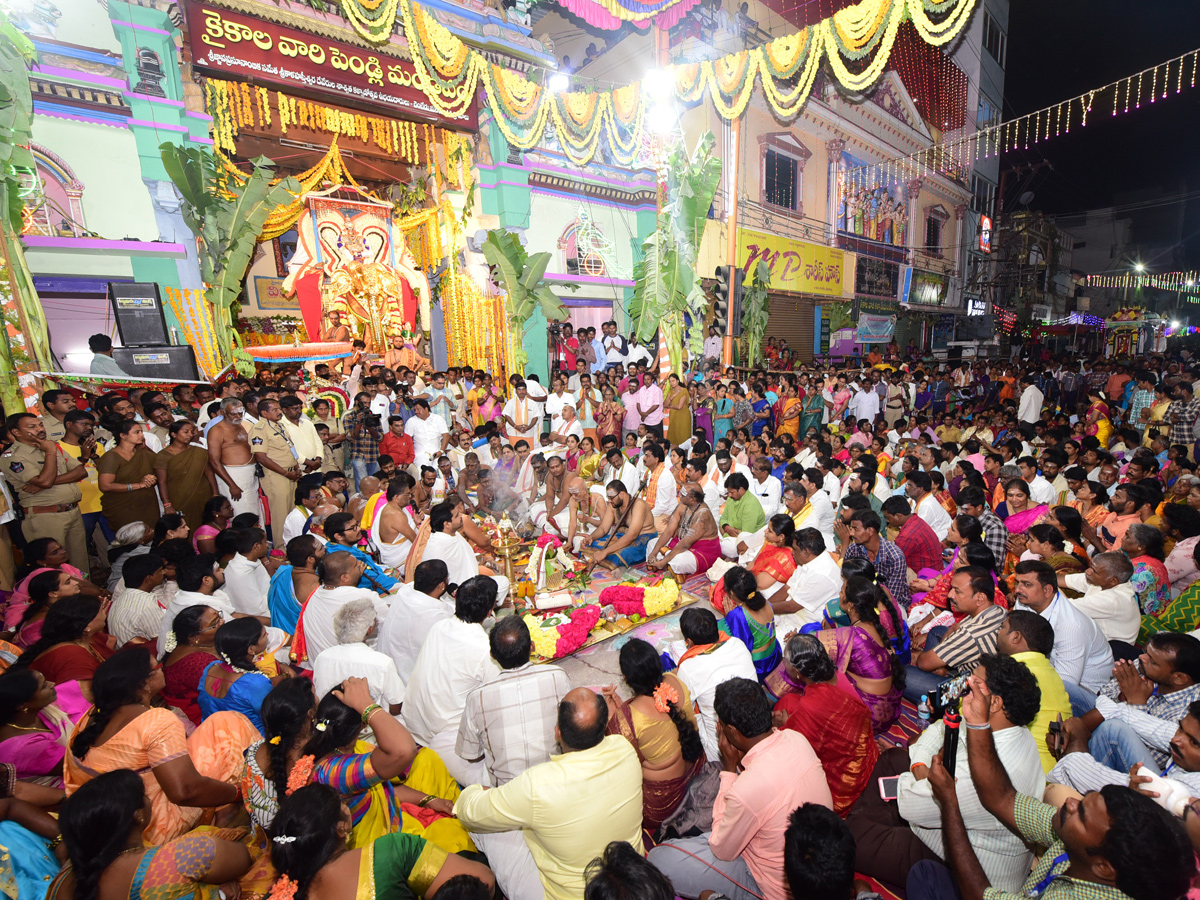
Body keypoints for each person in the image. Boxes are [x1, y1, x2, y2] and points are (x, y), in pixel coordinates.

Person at [917, 671, 1194, 900]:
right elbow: (1003, 798)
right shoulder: (1085, 841)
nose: (1071, 803)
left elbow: (979, 895)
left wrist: (950, 804)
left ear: (1103, 868)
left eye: (1082, 815)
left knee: (923, 877)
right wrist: (978, 724)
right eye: (1083, 801)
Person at [849, 654, 1045, 893]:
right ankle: (875, 818)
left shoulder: (994, 775)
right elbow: (943, 726)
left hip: (967, 866)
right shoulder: (1008, 727)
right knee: (894, 759)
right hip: (938, 806)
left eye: (973, 683)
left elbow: (912, 805)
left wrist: (922, 781)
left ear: (995, 703)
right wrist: (919, 767)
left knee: (852, 840)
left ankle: (865, 824)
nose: (963, 686)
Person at [648, 677, 832, 900]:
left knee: (659, 858)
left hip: (771, 887)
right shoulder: (796, 738)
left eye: (721, 725)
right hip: (816, 863)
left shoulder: (748, 789)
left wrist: (727, 770)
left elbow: (721, 849)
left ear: (732, 732)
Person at [65, 647, 257, 845]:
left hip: (109, 819)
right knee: (232, 728)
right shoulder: (156, 720)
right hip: (148, 823)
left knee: (222, 722)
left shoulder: (91, 717)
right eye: (157, 666)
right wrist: (236, 793)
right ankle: (225, 812)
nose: (162, 668)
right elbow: (184, 791)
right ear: (144, 683)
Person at [264, 783, 493, 900]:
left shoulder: (282, 892)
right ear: (341, 828)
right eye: (342, 803)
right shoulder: (389, 853)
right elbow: (484, 882)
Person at [56, 769, 254, 900]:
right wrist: (216, 894)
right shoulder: (185, 857)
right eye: (144, 795)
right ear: (138, 815)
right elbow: (246, 857)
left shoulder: (65, 878)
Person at [403, 576, 501, 784]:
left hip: (415, 724)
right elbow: (496, 701)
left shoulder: (439, 627)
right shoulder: (485, 649)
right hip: (445, 737)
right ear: (490, 609)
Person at [602, 639, 705, 834]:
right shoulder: (675, 681)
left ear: (625, 677)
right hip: (696, 771)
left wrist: (613, 721)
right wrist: (622, 714)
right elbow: (660, 711)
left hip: (662, 804)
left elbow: (623, 765)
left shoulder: (628, 719)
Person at [771, 634, 876, 815]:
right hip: (865, 757)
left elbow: (797, 748)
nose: (783, 663)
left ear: (798, 672)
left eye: (785, 661)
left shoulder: (811, 707)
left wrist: (784, 726)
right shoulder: (838, 677)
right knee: (789, 701)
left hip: (844, 784)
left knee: (780, 726)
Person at [817, 576, 907, 734]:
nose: (839, 594)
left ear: (850, 604)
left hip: (870, 716)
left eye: (842, 591)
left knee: (819, 674)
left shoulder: (852, 635)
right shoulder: (874, 624)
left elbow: (813, 645)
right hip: (889, 707)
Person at [1012, 560, 1113, 699]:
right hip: (1047, 670)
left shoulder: (1070, 626)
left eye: (1027, 584)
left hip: (1087, 693)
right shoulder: (1024, 601)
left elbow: (1065, 686)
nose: (1018, 590)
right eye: (1017, 583)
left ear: (1047, 590)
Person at [904, 567, 1006, 703]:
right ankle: (941, 667)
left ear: (980, 598)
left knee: (903, 673)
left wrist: (923, 657)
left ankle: (942, 703)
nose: (950, 595)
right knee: (937, 631)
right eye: (951, 589)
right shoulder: (997, 610)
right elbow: (954, 628)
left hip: (972, 691)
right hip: (978, 671)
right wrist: (941, 663)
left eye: (957, 591)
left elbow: (923, 663)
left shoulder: (971, 633)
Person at [674, 607, 757, 763]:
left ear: (689, 642)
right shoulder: (737, 643)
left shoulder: (688, 667)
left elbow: (684, 712)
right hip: (755, 729)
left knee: (683, 710)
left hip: (721, 749)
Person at [995, 610, 1072, 773]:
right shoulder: (1052, 673)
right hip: (1054, 771)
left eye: (1002, 628)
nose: (998, 633)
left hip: (1022, 772)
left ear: (1015, 637)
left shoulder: (1011, 674)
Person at [312, 599, 406, 714]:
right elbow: (396, 707)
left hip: (329, 723)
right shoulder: (382, 663)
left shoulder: (322, 657)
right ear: (370, 629)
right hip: (368, 728)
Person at [0, 667, 90, 782]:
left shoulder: (37, 712)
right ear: (22, 705)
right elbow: (81, 765)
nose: (52, 684)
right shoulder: (27, 747)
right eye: (43, 686)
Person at [198, 618, 279, 733]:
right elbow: (271, 716)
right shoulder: (255, 683)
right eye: (264, 635)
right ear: (251, 649)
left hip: (211, 736)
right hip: (246, 743)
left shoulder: (211, 668)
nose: (268, 635)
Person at [378, 560, 452, 684]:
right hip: (408, 680)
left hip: (388, 668)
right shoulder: (437, 617)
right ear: (441, 586)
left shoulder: (405, 591)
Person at [158, 604, 221, 726]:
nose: (222, 622)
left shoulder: (191, 646)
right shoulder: (198, 663)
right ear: (195, 637)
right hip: (202, 719)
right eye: (215, 624)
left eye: (219, 617)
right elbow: (225, 693)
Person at [1058, 552, 1140, 645]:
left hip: (1112, 651)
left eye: (1094, 570)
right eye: (1090, 566)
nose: (1087, 571)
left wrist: (1048, 586)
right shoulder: (1102, 579)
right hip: (1095, 640)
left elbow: (1061, 607)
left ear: (1113, 580)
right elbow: (1062, 580)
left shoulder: (1113, 600)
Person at [719, 567, 781, 681]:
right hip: (775, 654)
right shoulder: (765, 602)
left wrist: (730, 618)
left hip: (760, 667)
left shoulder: (738, 615)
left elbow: (741, 648)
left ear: (731, 593)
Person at [153, 420, 216, 532]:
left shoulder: (199, 451)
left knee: (206, 526)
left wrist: (215, 493)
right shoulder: (162, 456)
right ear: (174, 434)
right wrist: (167, 504)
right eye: (186, 432)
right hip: (179, 498)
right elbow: (162, 482)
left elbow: (209, 473)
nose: (190, 435)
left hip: (203, 496)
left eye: (191, 432)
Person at [646, 485, 720, 577]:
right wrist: (653, 553)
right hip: (679, 542)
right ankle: (668, 565)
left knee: (679, 560)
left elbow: (685, 544)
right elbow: (669, 531)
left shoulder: (703, 515)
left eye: (683, 495)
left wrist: (664, 561)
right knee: (652, 544)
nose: (679, 495)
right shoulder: (682, 506)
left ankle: (666, 564)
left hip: (701, 552)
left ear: (692, 499)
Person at [207, 400, 263, 520]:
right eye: (233, 414)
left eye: (240, 413)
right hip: (233, 476)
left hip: (251, 473)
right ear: (222, 412)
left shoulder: (243, 425)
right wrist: (232, 485)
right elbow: (214, 461)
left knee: (255, 511)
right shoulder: (217, 430)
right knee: (241, 512)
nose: (238, 416)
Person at [883, 495, 944, 574]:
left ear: (898, 516)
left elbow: (892, 562)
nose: (887, 521)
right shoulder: (916, 520)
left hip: (925, 577)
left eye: (888, 518)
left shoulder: (907, 536)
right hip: (935, 569)